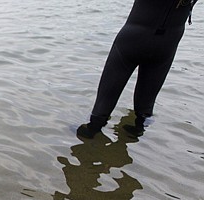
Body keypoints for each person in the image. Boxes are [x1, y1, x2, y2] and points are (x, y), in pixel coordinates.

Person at [77, 0, 198, 138]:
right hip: (167, 45)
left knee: (104, 102)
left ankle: (91, 133)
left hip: (132, 40)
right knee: (145, 109)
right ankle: (136, 135)